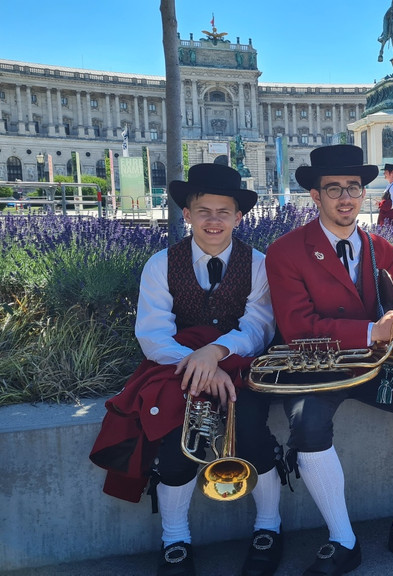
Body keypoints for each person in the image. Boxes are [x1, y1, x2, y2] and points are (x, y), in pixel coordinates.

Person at [264, 144, 393, 572]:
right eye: (332, 189)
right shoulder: (285, 251)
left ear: (364, 193)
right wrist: (373, 330)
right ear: (314, 197)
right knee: (309, 424)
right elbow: (298, 326)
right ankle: (342, 539)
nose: (345, 197)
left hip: (371, 365)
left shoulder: (383, 249)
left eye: (352, 187)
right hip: (313, 365)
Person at [89, 164, 283, 576]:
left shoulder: (260, 264)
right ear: (187, 215)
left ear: (239, 217)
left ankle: (269, 527)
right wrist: (195, 365)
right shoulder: (160, 264)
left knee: (251, 432)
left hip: (238, 362)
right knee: (175, 442)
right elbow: (153, 333)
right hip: (177, 365)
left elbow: (258, 327)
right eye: (204, 211)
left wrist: (214, 353)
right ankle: (175, 538)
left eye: (224, 212)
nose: (214, 221)